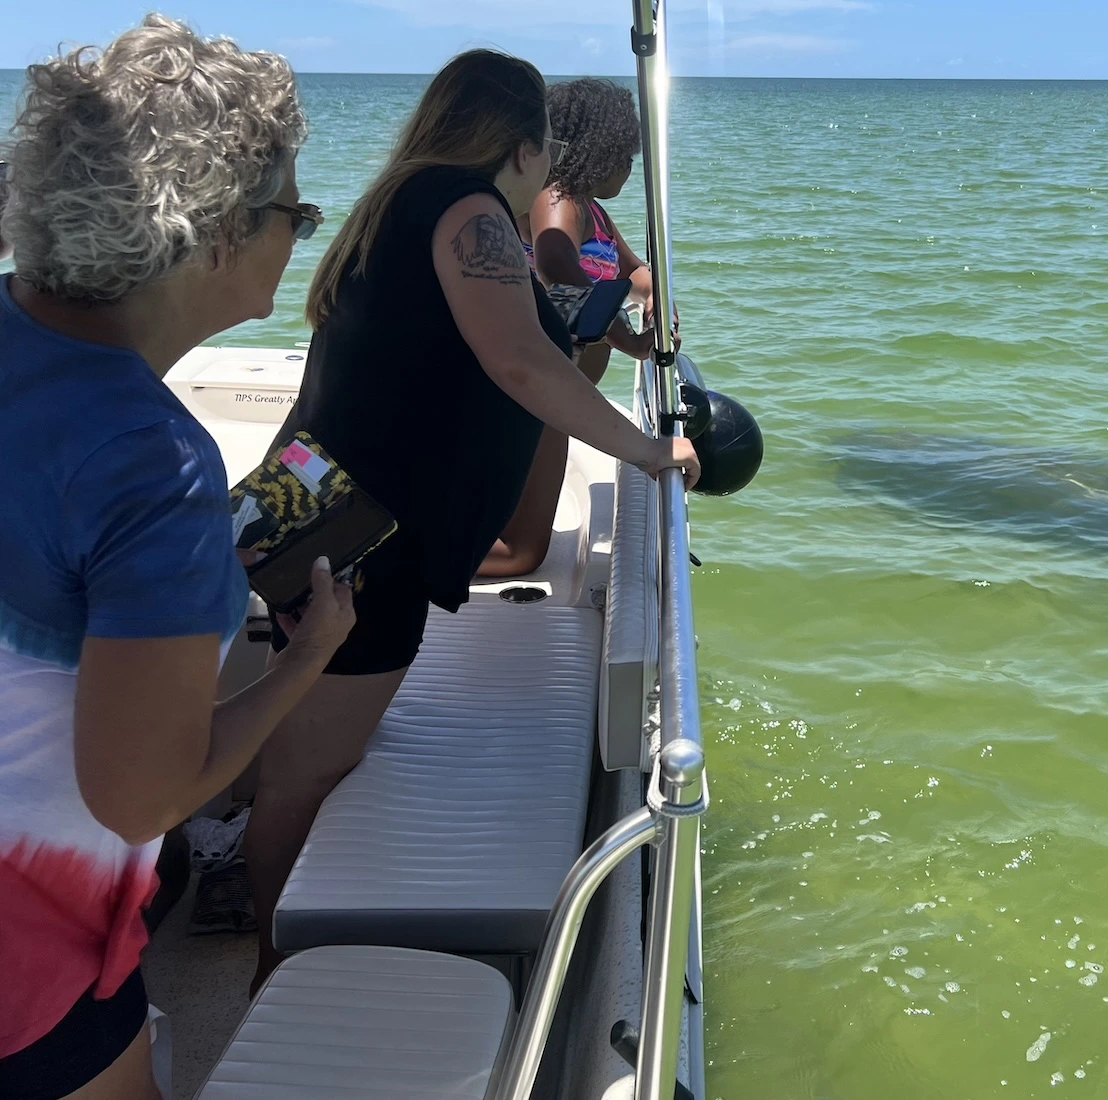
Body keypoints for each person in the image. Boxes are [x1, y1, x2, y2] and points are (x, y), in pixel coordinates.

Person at [242, 49, 700, 991]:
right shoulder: (467, 209)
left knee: (298, 748)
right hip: (365, 543)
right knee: (308, 772)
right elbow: (524, 363)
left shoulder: (401, 200)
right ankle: (269, 971)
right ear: (522, 144)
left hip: (319, 506)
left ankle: (260, 923)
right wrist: (654, 452)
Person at [0, 17, 354, 1100]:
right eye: (294, 212)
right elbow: (139, 798)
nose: (300, 235)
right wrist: (307, 656)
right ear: (216, 235)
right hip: (29, 948)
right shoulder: (156, 465)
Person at [479, 77, 672, 578]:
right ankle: (393, 565)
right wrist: (622, 333)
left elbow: (632, 271)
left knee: (517, 533)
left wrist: (654, 297)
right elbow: (554, 260)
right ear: (598, 149)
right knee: (522, 551)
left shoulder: (595, 212)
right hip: (540, 396)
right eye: (625, 155)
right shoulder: (556, 195)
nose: (630, 168)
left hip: (553, 401)